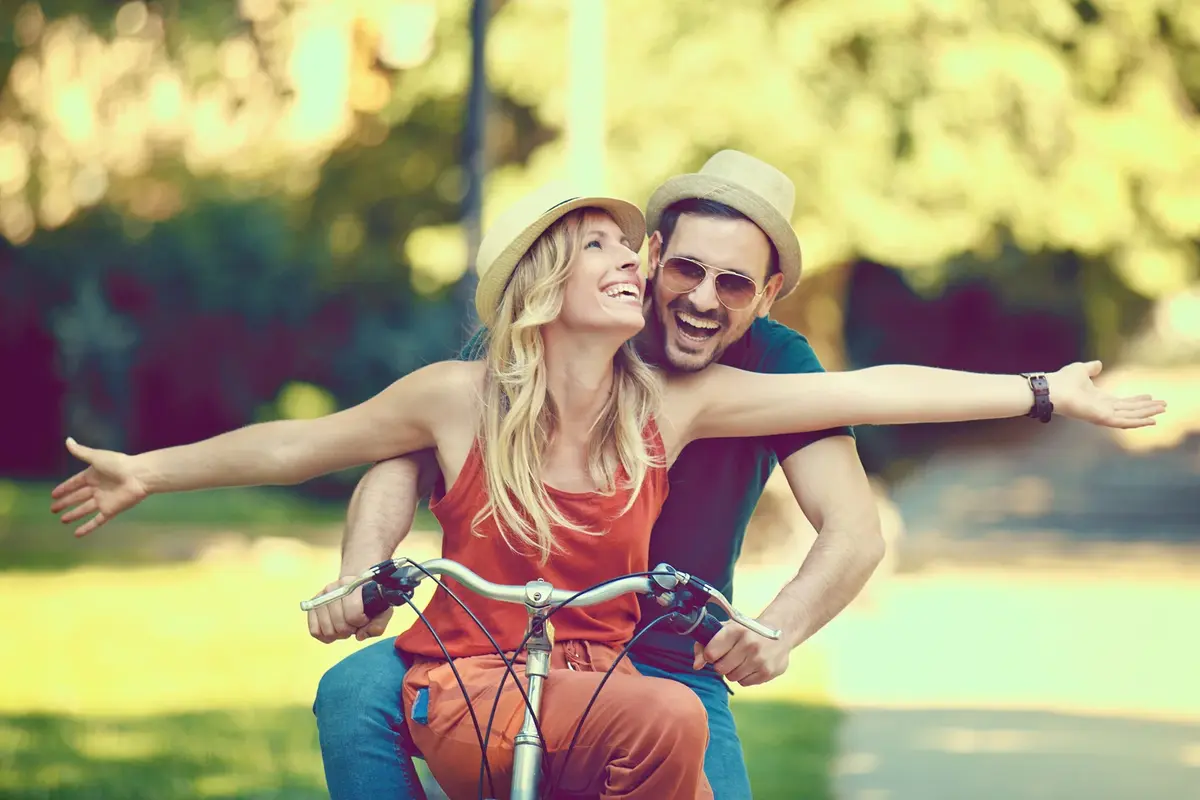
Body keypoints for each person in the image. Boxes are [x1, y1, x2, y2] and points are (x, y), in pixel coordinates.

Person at [51, 180, 1164, 800]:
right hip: (473, 678)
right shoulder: (455, 395)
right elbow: (311, 444)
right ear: (551, 284)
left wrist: (1041, 393)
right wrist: (151, 468)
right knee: (359, 696)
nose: (652, 272)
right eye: (621, 251)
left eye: (647, 253)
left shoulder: (679, 401)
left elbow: (876, 389)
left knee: (671, 715)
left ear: (765, 290)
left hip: (623, 681)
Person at [313, 150, 890, 800]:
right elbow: (403, 456)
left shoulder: (778, 361)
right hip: (501, 636)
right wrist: (362, 568)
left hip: (672, 656)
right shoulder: (579, 312)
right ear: (652, 256)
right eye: (684, 269)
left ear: (768, 292)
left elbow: (854, 529)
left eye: (732, 284)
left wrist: (776, 628)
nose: (702, 298)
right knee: (353, 692)